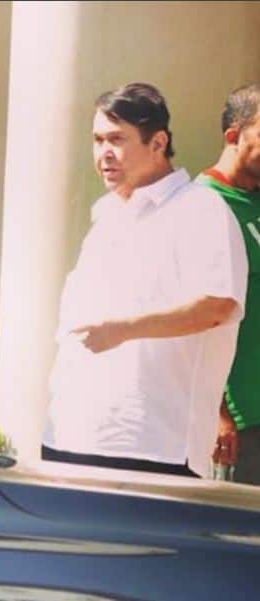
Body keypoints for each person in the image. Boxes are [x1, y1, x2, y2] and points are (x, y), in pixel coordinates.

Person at [42, 83, 248, 478]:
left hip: (152, 445)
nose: (104, 152)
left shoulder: (200, 208)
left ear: (158, 143)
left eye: (117, 139)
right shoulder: (106, 215)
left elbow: (217, 306)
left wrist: (124, 330)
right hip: (70, 435)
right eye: (98, 140)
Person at [196, 83, 260, 485]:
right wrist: (217, 413)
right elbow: (195, 319)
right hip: (243, 421)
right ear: (233, 137)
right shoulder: (202, 205)